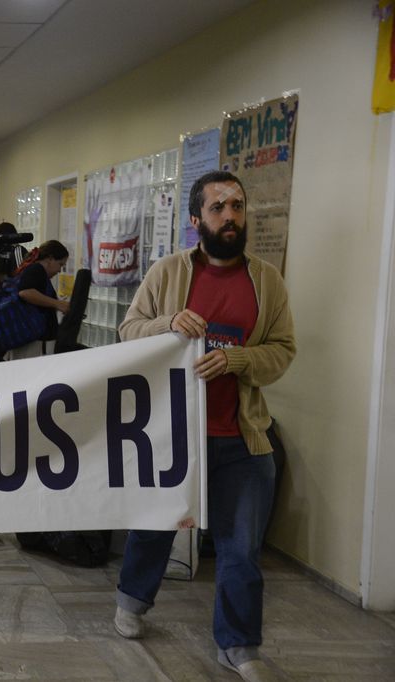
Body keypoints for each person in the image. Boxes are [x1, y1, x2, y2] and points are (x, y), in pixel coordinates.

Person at [112, 171, 295, 682]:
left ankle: (238, 644)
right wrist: (167, 325)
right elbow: (128, 332)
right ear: (196, 220)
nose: (230, 216)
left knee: (242, 548)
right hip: (172, 433)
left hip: (243, 439)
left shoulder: (267, 281)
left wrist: (238, 360)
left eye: (237, 206)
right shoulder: (168, 273)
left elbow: (282, 352)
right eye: (218, 208)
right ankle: (131, 600)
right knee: (154, 527)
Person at [5, 239, 70, 360]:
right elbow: (26, 293)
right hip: (32, 343)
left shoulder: (33, 270)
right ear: (50, 258)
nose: (59, 270)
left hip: (31, 341)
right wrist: (57, 304)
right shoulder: (36, 269)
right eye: (60, 264)